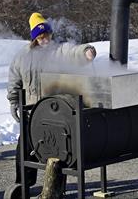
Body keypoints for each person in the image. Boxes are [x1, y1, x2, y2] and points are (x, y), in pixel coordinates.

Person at [7, 12, 96, 190]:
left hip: (54, 111)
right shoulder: (21, 57)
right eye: (40, 37)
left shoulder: (57, 51)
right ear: (34, 38)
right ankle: (23, 184)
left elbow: (71, 52)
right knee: (25, 149)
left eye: (46, 35)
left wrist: (86, 50)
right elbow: (14, 81)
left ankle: (57, 187)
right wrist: (13, 102)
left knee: (59, 150)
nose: (45, 40)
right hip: (31, 111)